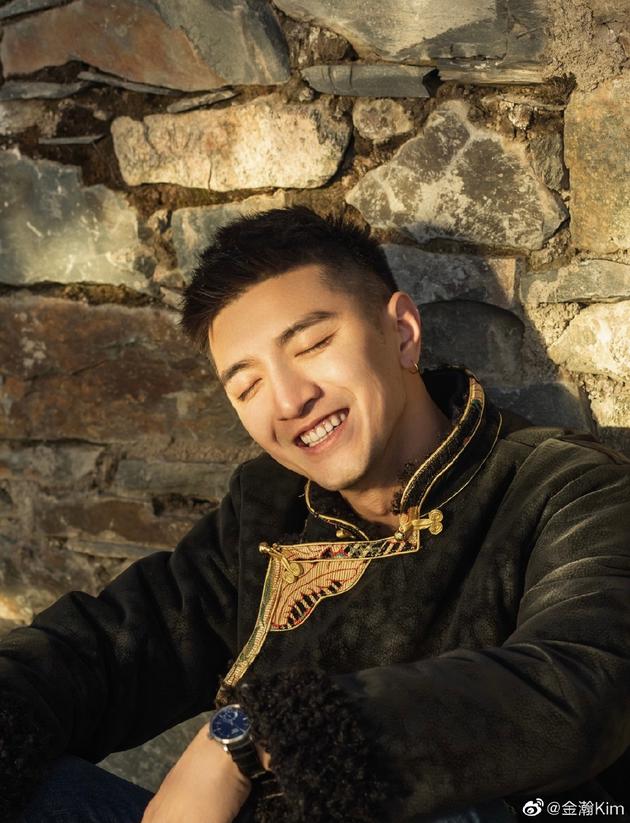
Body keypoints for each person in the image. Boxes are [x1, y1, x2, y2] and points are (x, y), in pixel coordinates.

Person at [0, 207, 629, 823]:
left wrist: (252, 738)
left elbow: (579, 686)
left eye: (313, 344)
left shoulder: (565, 488)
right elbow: (110, 645)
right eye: (247, 386)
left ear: (402, 332)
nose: (289, 400)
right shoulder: (269, 507)